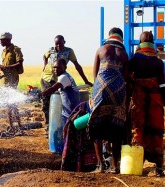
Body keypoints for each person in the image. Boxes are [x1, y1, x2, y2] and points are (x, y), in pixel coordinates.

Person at [88, 27, 129, 173]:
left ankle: (100, 165)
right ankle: (114, 166)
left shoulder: (101, 49)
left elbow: (95, 74)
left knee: (96, 127)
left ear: (109, 36)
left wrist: (95, 94)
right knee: (116, 128)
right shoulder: (124, 54)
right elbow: (125, 78)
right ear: (121, 38)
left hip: (101, 90)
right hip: (118, 91)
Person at [128, 31, 164, 176]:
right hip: (155, 98)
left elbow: (127, 77)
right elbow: (162, 84)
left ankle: (137, 164)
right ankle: (159, 167)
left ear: (139, 43)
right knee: (156, 130)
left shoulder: (134, 60)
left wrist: (136, 86)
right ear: (153, 43)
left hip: (139, 99)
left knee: (138, 128)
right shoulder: (158, 62)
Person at [41, 35, 92, 127]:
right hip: (46, 78)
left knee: (58, 100)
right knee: (46, 102)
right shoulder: (51, 50)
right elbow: (44, 56)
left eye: (60, 44)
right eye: (56, 44)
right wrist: (44, 66)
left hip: (58, 80)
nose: (58, 46)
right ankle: (48, 126)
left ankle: (60, 124)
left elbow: (77, 65)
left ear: (64, 42)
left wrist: (86, 80)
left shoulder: (69, 51)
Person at [39, 58, 80, 129]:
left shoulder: (64, 77)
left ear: (65, 67)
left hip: (70, 113)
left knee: (68, 134)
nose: (56, 69)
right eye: (54, 67)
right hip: (71, 111)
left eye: (59, 67)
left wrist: (39, 94)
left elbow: (52, 89)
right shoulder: (65, 76)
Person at [0, 32, 24, 130]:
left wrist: (5, 67)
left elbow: (19, 63)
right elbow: (4, 64)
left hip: (12, 79)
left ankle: (19, 125)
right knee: (8, 103)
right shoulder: (3, 51)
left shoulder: (16, 50)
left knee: (12, 102)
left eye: (2, 40)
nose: (0, 42)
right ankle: (12, 125)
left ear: (8, 40)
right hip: (5, 79)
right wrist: (0, 69)